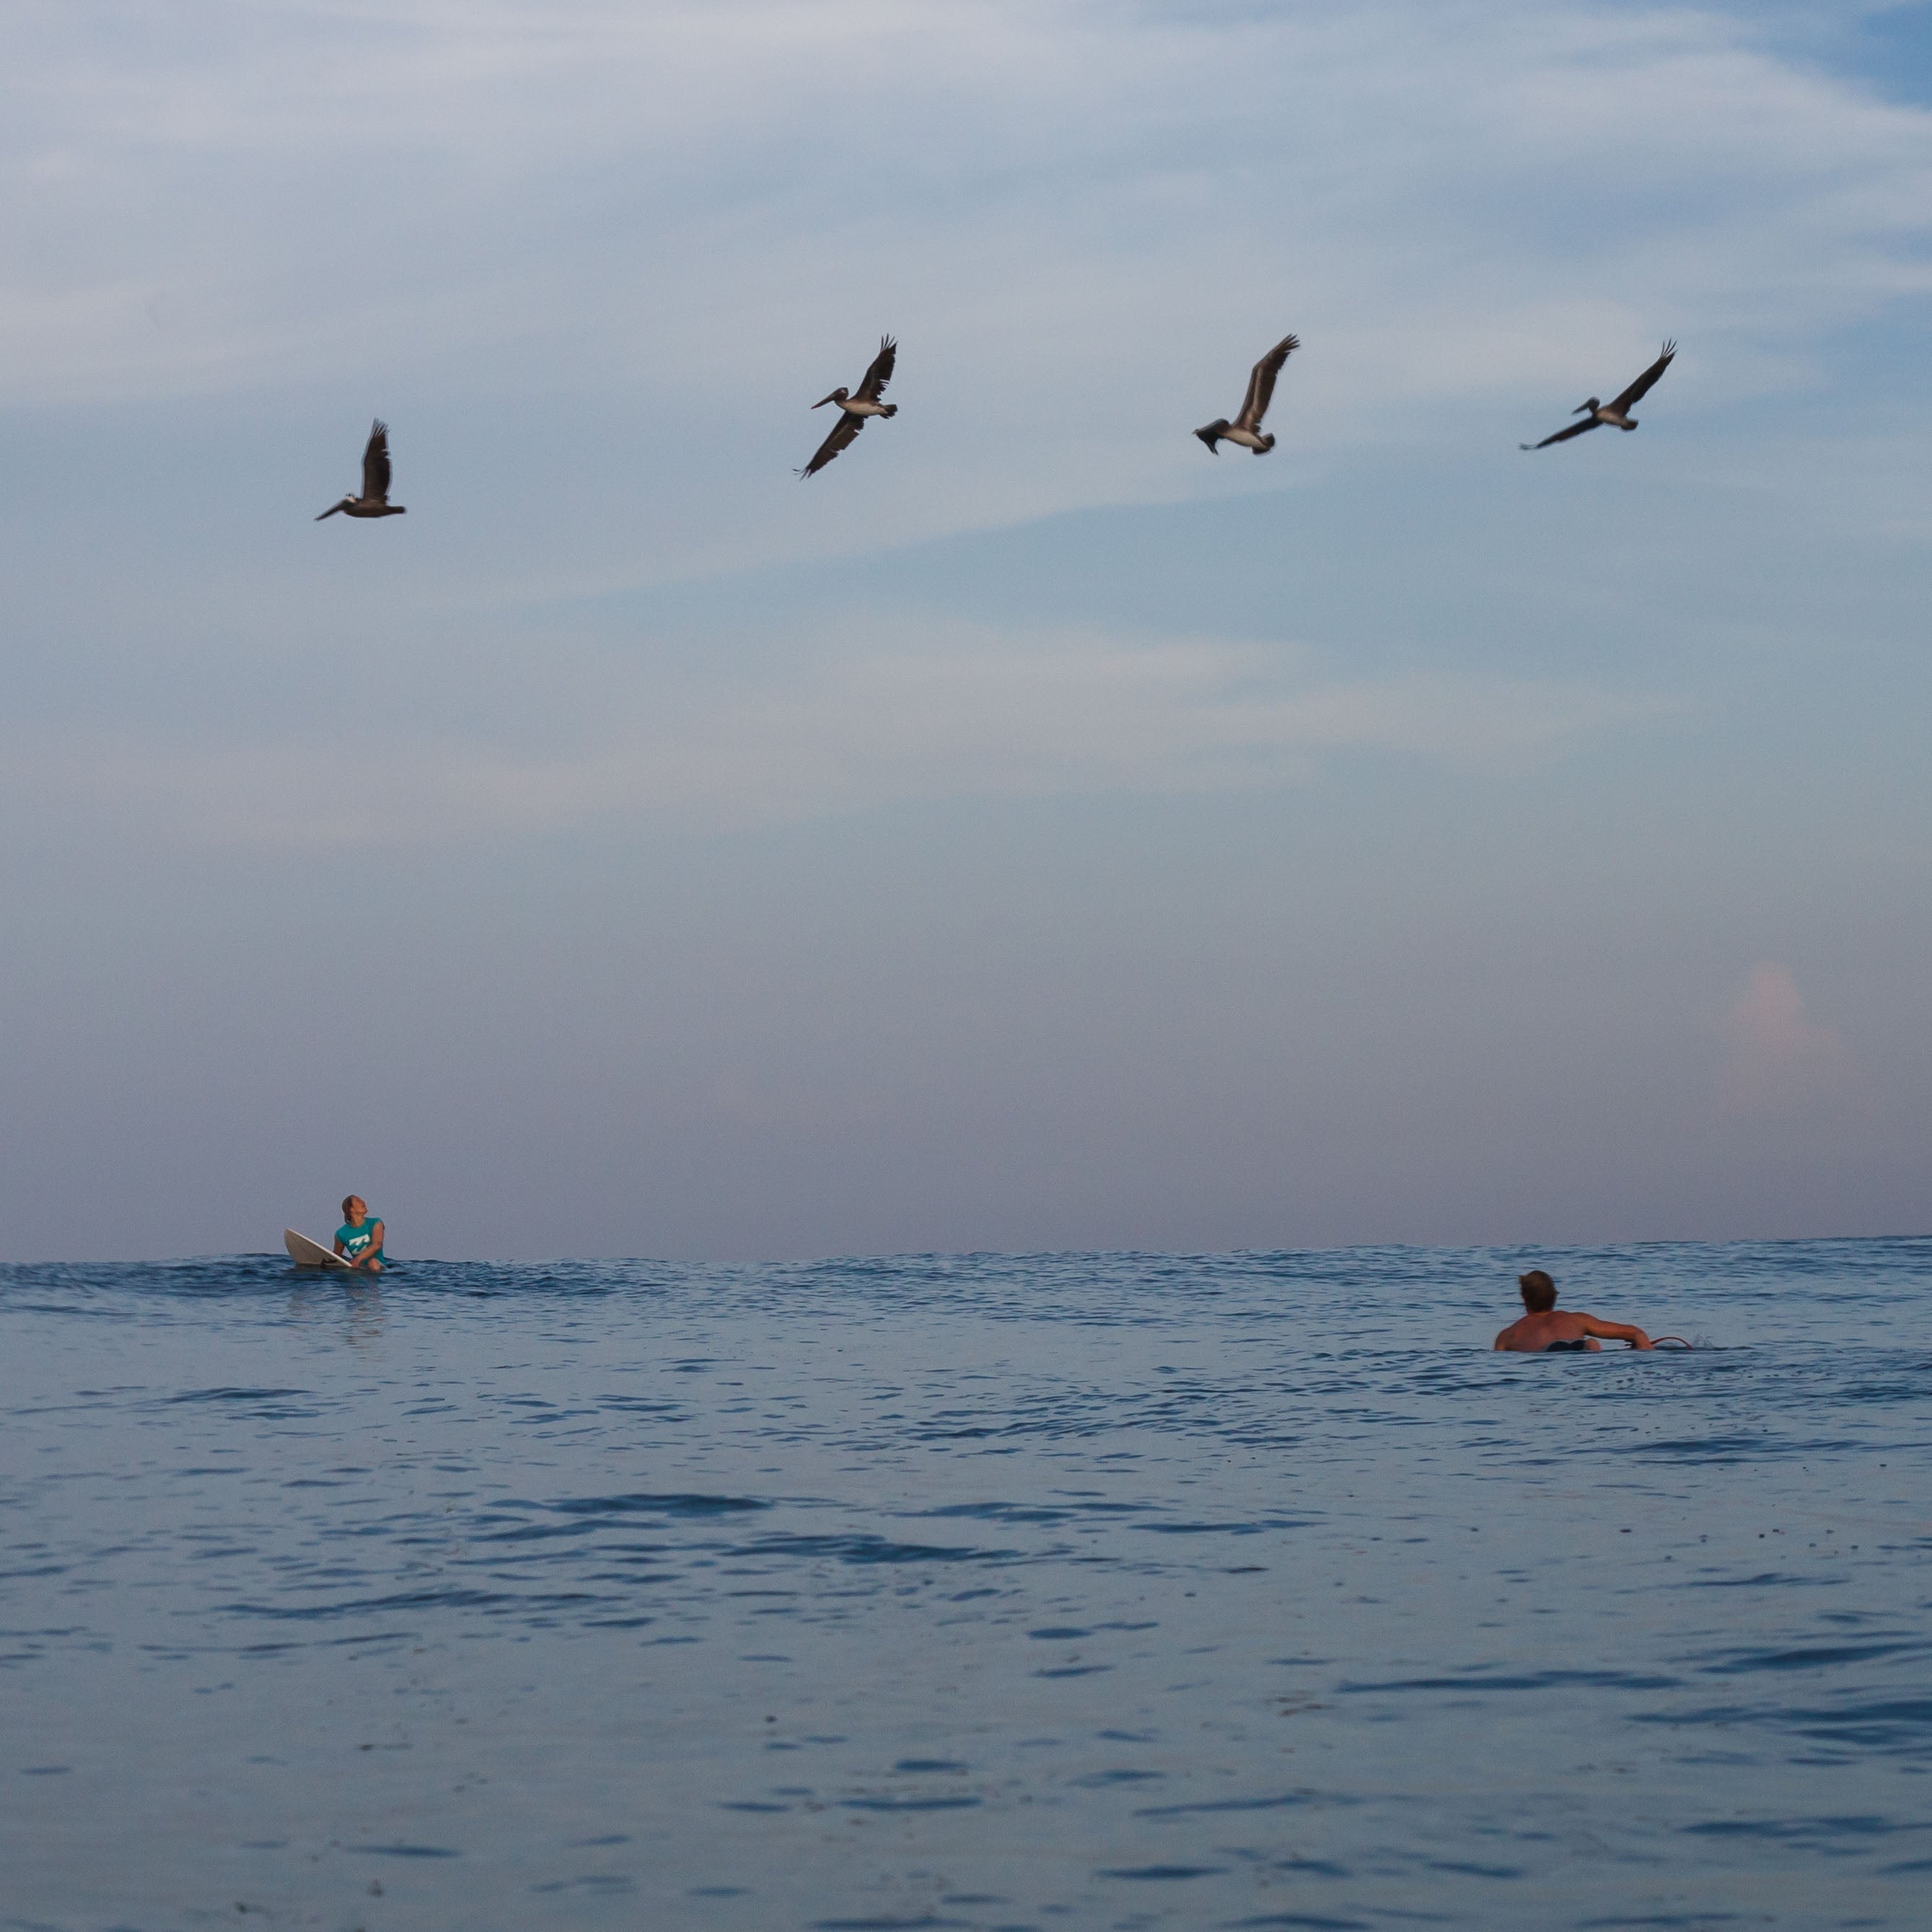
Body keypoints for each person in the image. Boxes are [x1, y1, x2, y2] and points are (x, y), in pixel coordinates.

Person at [1493, 1268, 1651, 1352]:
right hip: (1575, 1348)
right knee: (1588, 1345)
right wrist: (1643, 1350)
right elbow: (1635, 1333)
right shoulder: (1576, 1320)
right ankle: (1591, 1347)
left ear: (1523, 1297)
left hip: (1542, 1354)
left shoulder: (1507, 1336)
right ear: (1554, 1296)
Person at [333, 1196, 386, 1273]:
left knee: (373, 1262)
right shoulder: (341, 1233)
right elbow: (336, 1256)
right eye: (358, 1201)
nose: (363, 1202)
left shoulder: (376, 1223)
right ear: (351, 1209)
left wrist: (358, 1259)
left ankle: (373, 1284)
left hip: (379, 1268)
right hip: (358, 1269)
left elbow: (377, 1245)